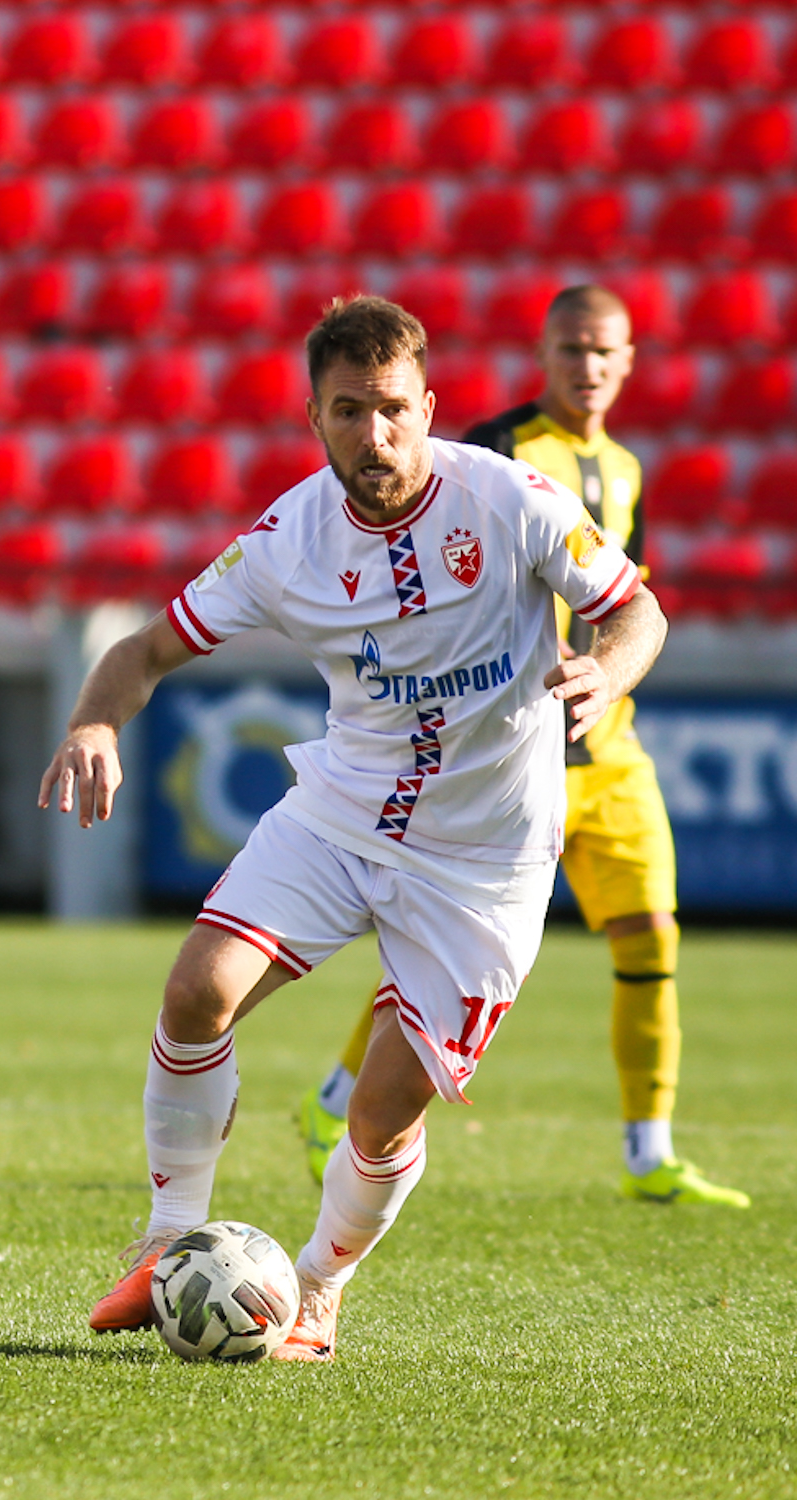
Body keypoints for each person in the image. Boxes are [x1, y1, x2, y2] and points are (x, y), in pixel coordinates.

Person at [41, 296, 665, 1361]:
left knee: (379, 1114)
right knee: (195, 991)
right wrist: (94, 717)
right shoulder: (286, 541)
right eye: (346, 413)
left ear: (427, 406)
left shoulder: (511, 497)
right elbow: (144, 649)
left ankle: (319, 1289)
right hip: (341, 814)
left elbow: (635, 608)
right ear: (312, 417)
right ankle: (164, 1240)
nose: (371, 438)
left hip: (485, 859)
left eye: (389, 411)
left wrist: (602, 675)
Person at [294, 286, 747, 1209]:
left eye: (606, 352)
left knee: (651, 936)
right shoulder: (500, 453)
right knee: (431, 956)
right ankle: (335, 1104)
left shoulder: (623, 467)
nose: (588, 366)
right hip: (510, 759)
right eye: (573, 348)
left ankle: (648, 1152)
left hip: (610, 754)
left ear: (627, 362)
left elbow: (627, 601)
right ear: (544, 352)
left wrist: (609, 675)